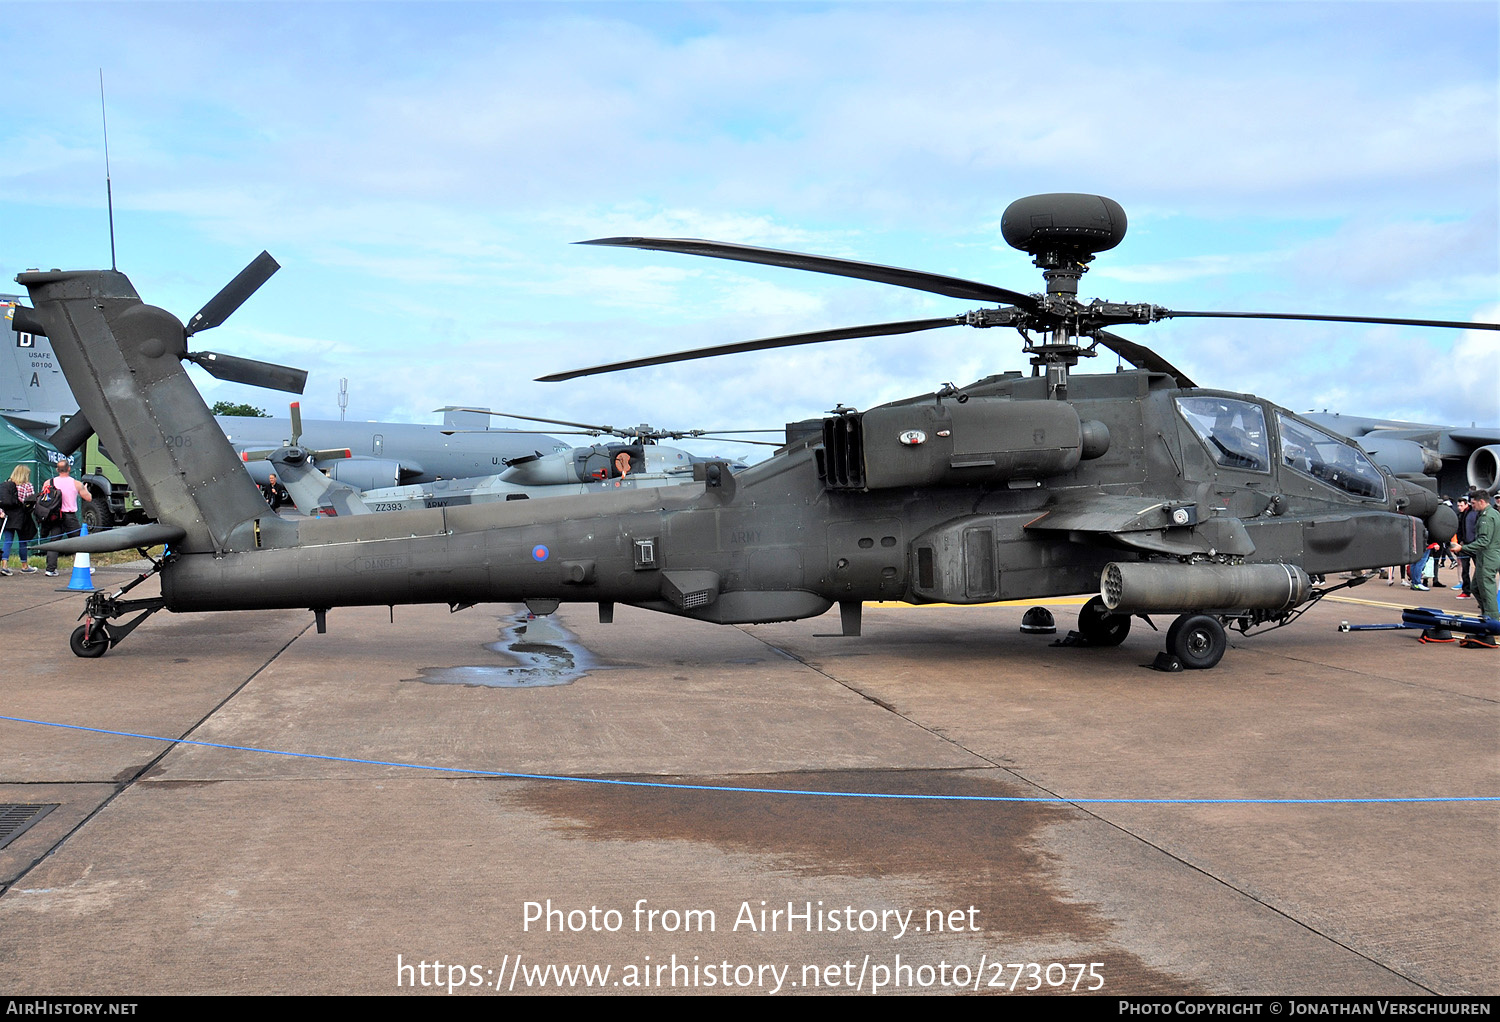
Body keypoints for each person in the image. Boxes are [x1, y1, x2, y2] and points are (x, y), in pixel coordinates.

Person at [38, 458, 92, 578]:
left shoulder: (48, 482)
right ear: (69, 469)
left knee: (54, 542)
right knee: (80, 542)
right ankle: (84, 567)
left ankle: (50, 569)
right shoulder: (76, 483)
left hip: (54, 515)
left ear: (57, 470)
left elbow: (43, 498)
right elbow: (88, 498)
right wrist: (86, 489)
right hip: (69, 515)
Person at [1459, 489, 1498, 625]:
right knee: (1475, 587)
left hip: (1488, 557)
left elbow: (1484, 541)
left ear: (1482, 502)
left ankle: (1492, 620)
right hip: (1487, 556)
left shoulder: (1486, 517)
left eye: (1474, 503)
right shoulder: (1494, 513)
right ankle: (1486, 613)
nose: (1472, 506)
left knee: (1487, 589)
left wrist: (1462, 548)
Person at [0, 465, 38, 575]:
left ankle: (4, 565)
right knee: (22, 541)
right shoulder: (27, 486)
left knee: (8, 540)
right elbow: (30, 500)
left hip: (8, 516)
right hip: (22, 516)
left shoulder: (7, 484)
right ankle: (24, 566)